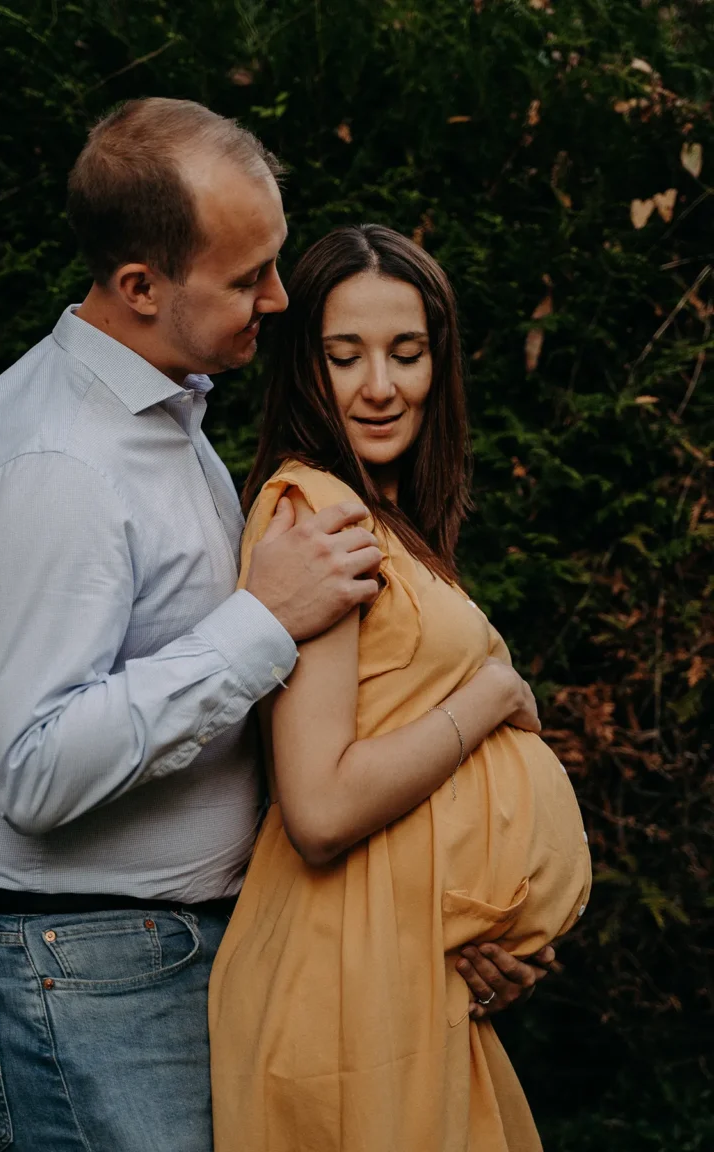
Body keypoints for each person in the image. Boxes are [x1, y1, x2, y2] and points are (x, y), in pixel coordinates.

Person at [0, 101, 550, 1150]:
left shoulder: (168, 419)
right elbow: (36, 772)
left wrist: (444, 916)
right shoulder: (53, 465)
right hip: (72, 970)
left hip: (160, 951)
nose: (277, 299)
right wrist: (260, 620)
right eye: (246, 277)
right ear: (140, 287)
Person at [209, 225, 592, 1152]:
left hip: (400, 969)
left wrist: (485, 924)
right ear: (306, 367)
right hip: (343, 978)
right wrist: (492, 698)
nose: (380, 386)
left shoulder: (382, 513)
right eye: (346, 357)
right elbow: (322, 804)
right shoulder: (321, 514)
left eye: (407, 353)